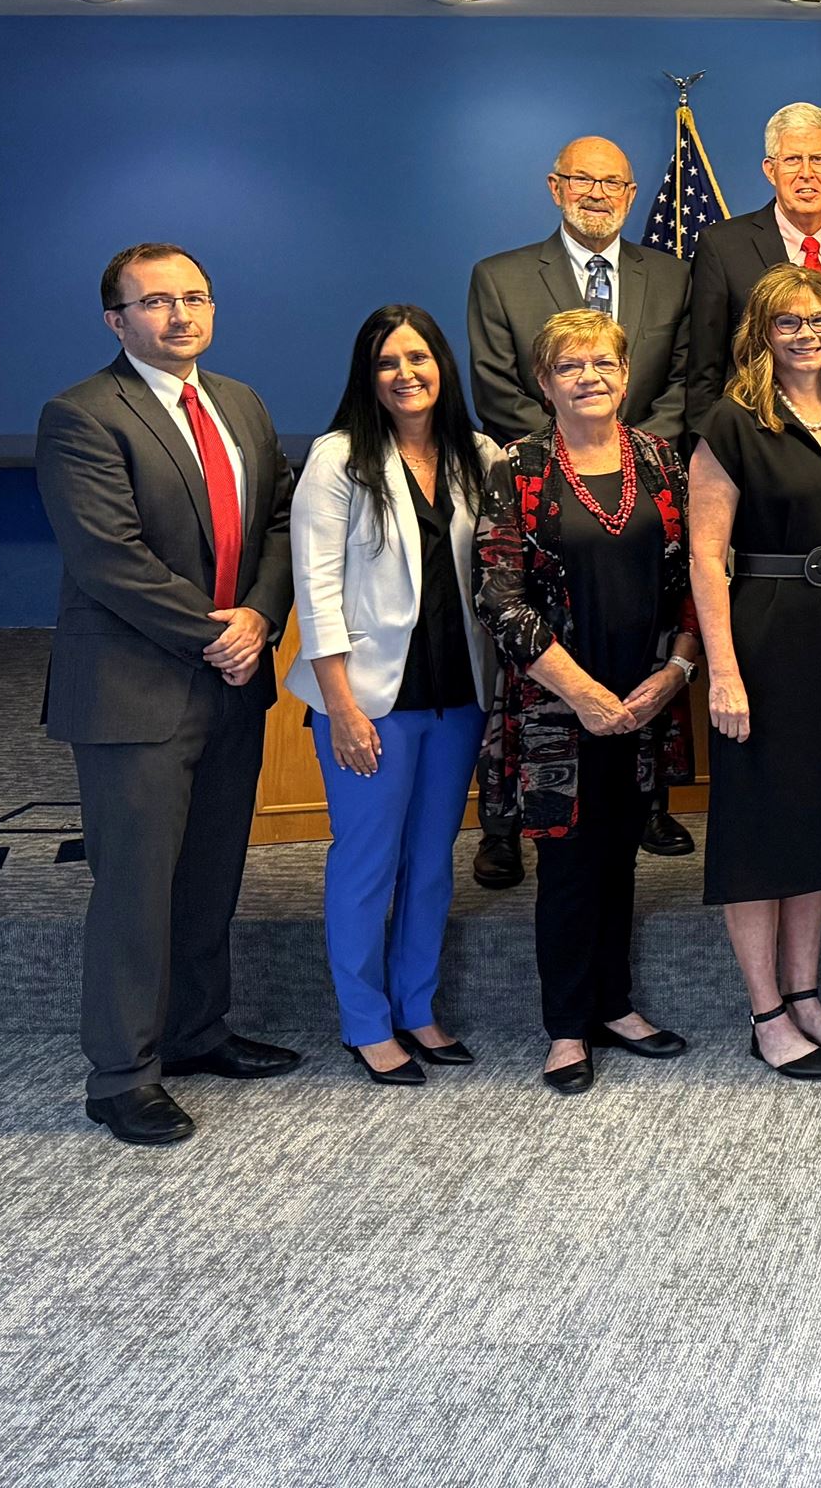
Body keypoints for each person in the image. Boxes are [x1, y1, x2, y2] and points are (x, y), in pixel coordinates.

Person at [36, 243, 298, 1146]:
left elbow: (274, 525)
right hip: (134, 689)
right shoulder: (80, 416)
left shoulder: (240, 404)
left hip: (233, 681)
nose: (179, 315)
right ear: (118, 320)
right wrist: (216, 632)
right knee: (136, 887)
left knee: (210, 874)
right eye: (155, 303)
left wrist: (261, 617)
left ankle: (193, 1033)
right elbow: (109, 558)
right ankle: (120, 1075)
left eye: (194, 298)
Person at [475, 309, 699, 1096]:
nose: (589, 378)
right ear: (543, 383)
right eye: (570, 367)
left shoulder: (660, 459)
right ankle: (567, 1029)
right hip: (554, 709)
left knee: (619, 855)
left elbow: (689, 584)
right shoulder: (518, 468)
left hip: (643, 699)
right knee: (568, 866)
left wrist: (672, 675)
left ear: (626, 375)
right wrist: (585, 696)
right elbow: (498, 596)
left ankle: (614, 1007)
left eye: (603, 363)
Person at [465, 133, 694, 881]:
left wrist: (619, 447)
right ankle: (506, 823)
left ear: (633, 196)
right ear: (555, 187)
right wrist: (568, 446)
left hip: (635, 483)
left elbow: (683, 380)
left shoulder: (672, 275)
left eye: (614, 184)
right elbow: (499, 385)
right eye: (582, 181)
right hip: (542, 490)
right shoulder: (499, 277)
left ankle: (645, 802)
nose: (598, 195)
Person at [687, 265, 821, 1082]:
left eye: (820, 320)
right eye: (787, 322)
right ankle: (766, 1012)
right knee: (762, 829)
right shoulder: (733, 421)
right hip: (765, 635)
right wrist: (723, 674)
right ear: (760, 333)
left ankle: (807, 996)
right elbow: (704, 556)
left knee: (819, 824)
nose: (807, 334)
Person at [290, 305, 499, 1085]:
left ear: (442, 366)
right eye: (387, 362)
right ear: (367, 377)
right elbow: (315, 590)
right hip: (368, 703)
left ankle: (417, 1007)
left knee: (432, 862)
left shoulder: (476, 455)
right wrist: (340, 706)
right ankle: (365, 1022)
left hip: (458, 696)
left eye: (418, 358)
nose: (405, 374)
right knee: (367, 862)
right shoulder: (338, 457)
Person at [687, 100, 821, 428]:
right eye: (792, 160)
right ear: (770, 170)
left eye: (818, 159)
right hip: (759, 433)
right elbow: (704, 369)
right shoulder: (723, 246)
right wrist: (703, 450)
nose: (806, 173)